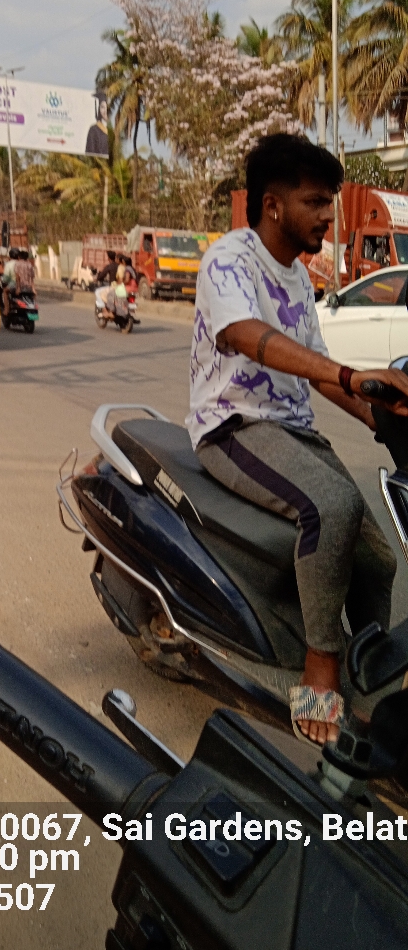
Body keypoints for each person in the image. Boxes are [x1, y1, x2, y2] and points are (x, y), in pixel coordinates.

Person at [188, 132, 408, 748]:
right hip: (233, 425)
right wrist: (348, 374)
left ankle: (373, 682)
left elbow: (317, 369)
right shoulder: (228, 261)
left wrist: (380, 416)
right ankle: (319, 670)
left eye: (328, 202)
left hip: (292, 431)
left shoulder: (297, 278)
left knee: (379, 560)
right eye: (314, 202)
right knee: (332, 507)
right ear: (272, 204)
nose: (327, 216)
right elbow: (244, 335)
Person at [1, 247, 20, 315]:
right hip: (26, 285)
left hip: (14, 284)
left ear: (10, 256)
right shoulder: (23, 263)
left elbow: (5, 278)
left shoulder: (9, 264)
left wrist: (3, 280)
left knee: (5, 292)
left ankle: (6, 309)